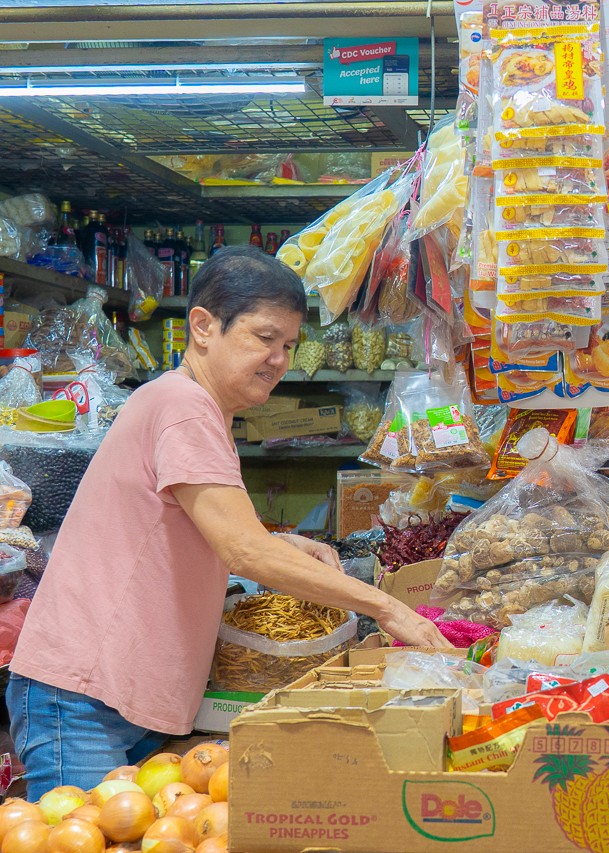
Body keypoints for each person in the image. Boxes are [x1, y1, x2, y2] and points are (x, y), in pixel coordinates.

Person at [7, 246, 450, 799]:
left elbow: (208, 529)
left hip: (117, 691)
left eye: (289, 345)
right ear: (203, 326)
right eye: (264, 338)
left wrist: (275, 540)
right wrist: (386, 607)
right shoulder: (185, 408)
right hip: (83, 694)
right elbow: (244, 553)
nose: (279, 359)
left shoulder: (189, 406)